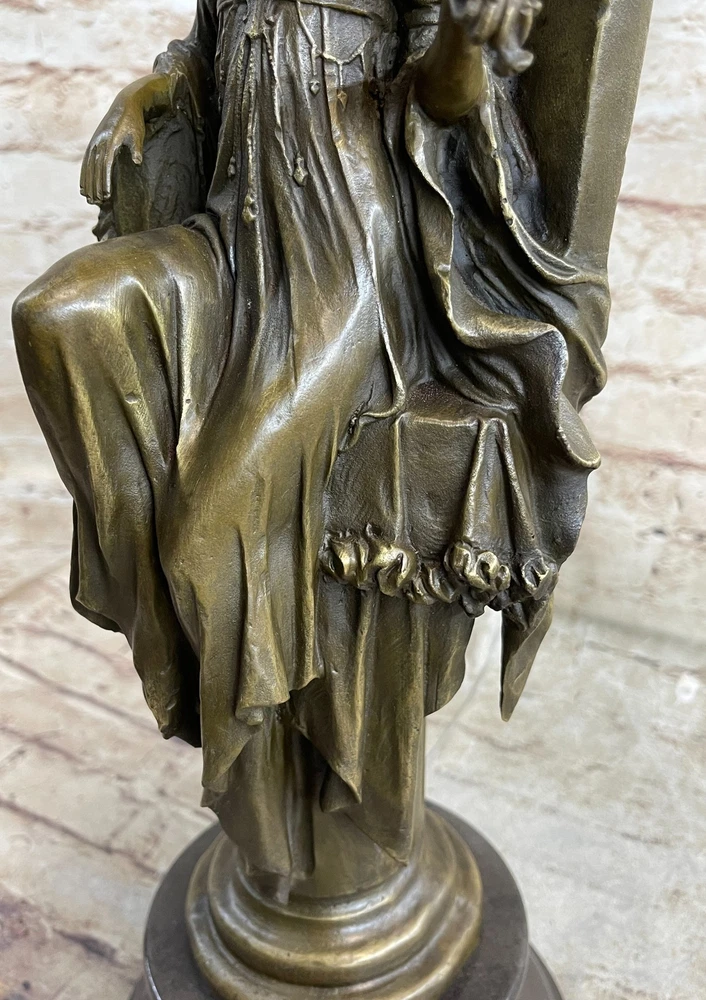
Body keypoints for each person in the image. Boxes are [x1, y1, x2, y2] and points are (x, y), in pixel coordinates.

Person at [12, 0, 608, 880]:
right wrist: (148, 93)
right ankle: (177, 659)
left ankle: (274, 817)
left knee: (206, 533)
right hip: (230, 242)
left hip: (347, 265)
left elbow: (445, 100)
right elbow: (203, 56)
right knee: (57, 317)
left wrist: (461, 38)